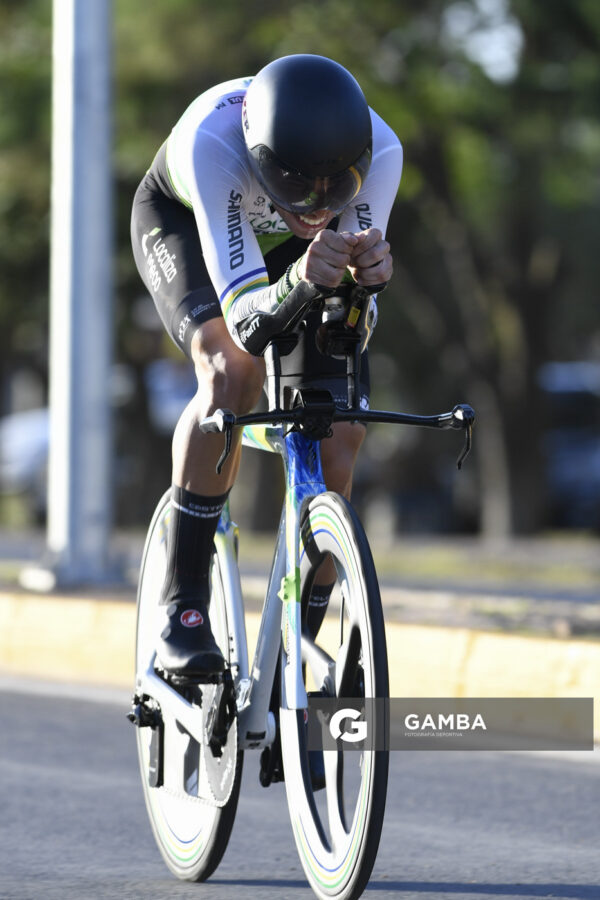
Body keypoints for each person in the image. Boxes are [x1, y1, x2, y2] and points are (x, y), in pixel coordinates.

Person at [130, 54, 403, 680]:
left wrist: (368, 285)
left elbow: (351, 316)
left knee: (343, 430)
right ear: (262, 160)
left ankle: (296, 650)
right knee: (233, 373)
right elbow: (250, 324)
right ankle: (184, 608)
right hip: (183, 222)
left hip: (296, 260)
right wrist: (303, 277)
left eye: (336, 188)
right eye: (300, 186)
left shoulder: (383, 151)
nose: (315, 206)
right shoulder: (214, 145)